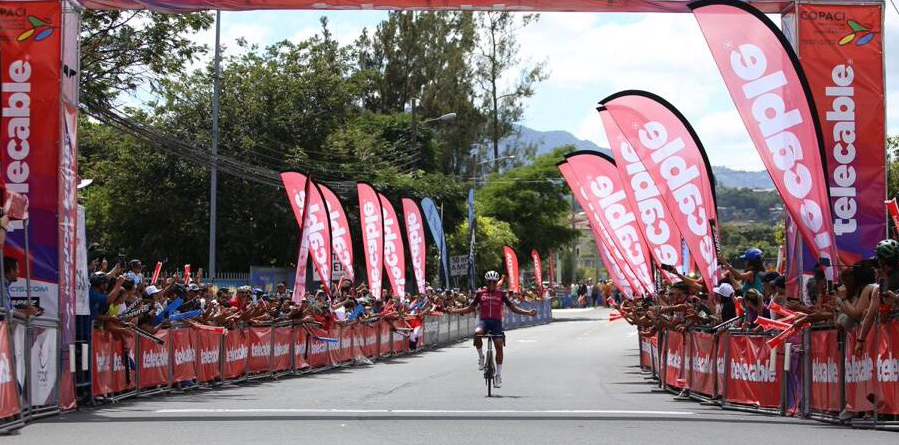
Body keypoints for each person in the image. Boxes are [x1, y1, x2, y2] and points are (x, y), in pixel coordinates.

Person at [447, 270, 537, 389]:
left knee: (499, 345)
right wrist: (454, 311)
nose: (492, 284)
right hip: (484, 322)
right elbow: (470, 308)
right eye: (489, 282)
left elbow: (513, 308)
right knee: (477, 333)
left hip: (496, 323)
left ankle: (498, 375)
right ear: (486, 282)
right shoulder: (480, 294)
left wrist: (528, 313)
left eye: (494, 282)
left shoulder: (501, 294)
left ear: (496, 283)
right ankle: (481, 357)